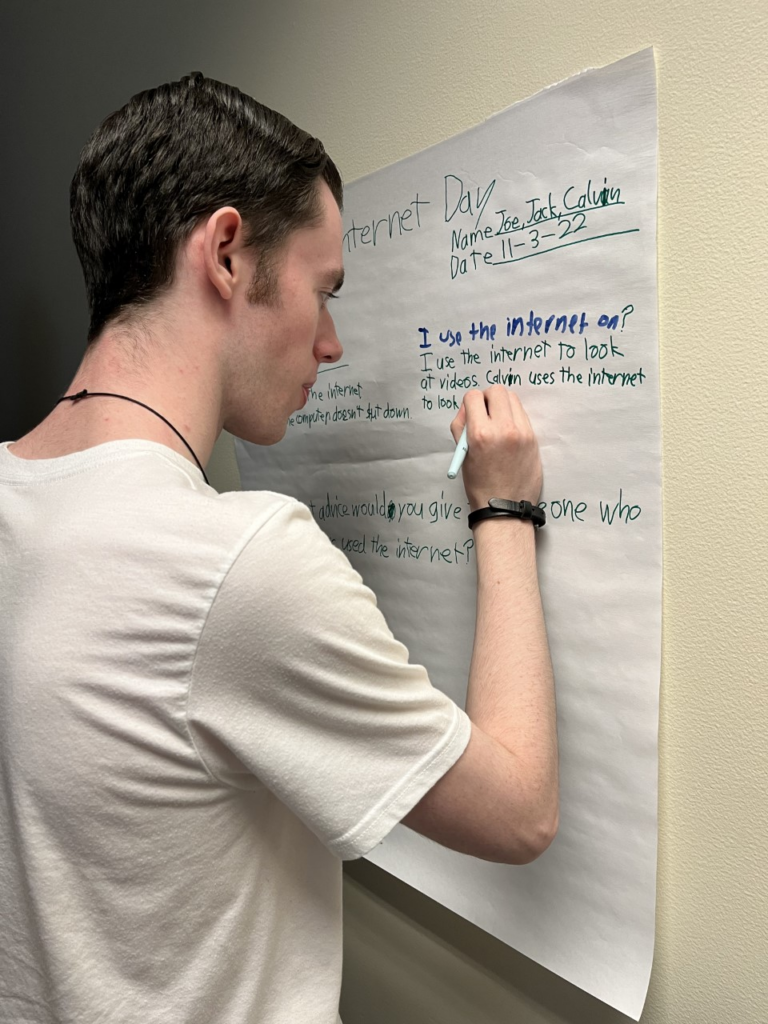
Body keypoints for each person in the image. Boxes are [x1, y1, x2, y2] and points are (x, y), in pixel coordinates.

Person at [0, 73, 558, 1024]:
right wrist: (504, 512)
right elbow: (520, 811)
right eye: (323, 291)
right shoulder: (236, 561)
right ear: (225, 252)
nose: (331, 344)